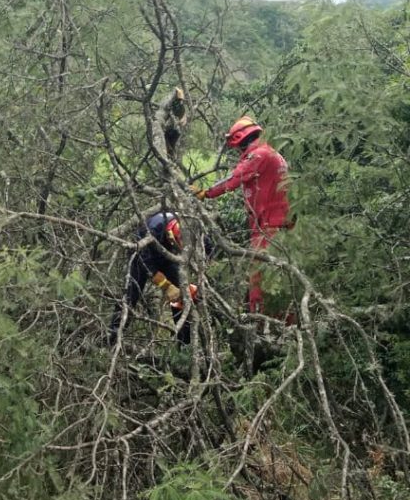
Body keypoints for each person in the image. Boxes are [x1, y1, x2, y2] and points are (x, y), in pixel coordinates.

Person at [192, 116, 291, 317]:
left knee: (259, 278)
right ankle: (282, 323)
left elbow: (235, 178)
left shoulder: (258, 155)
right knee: (281, 278)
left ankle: (260, 326)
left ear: (241, 139)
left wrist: (205, 192)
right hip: (278, 225)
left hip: (269, 226)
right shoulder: (272, 153)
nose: (238, 152)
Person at [108, 212, 197, 347]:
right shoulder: (155, 228)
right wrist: (166, 286)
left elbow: (207, 243)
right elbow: (146, 263)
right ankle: (113, 338)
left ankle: (184, 344)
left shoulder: (188, 223)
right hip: (140, 256)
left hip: (165, 255)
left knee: (183, 290)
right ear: (170, 234)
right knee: (131, 296)